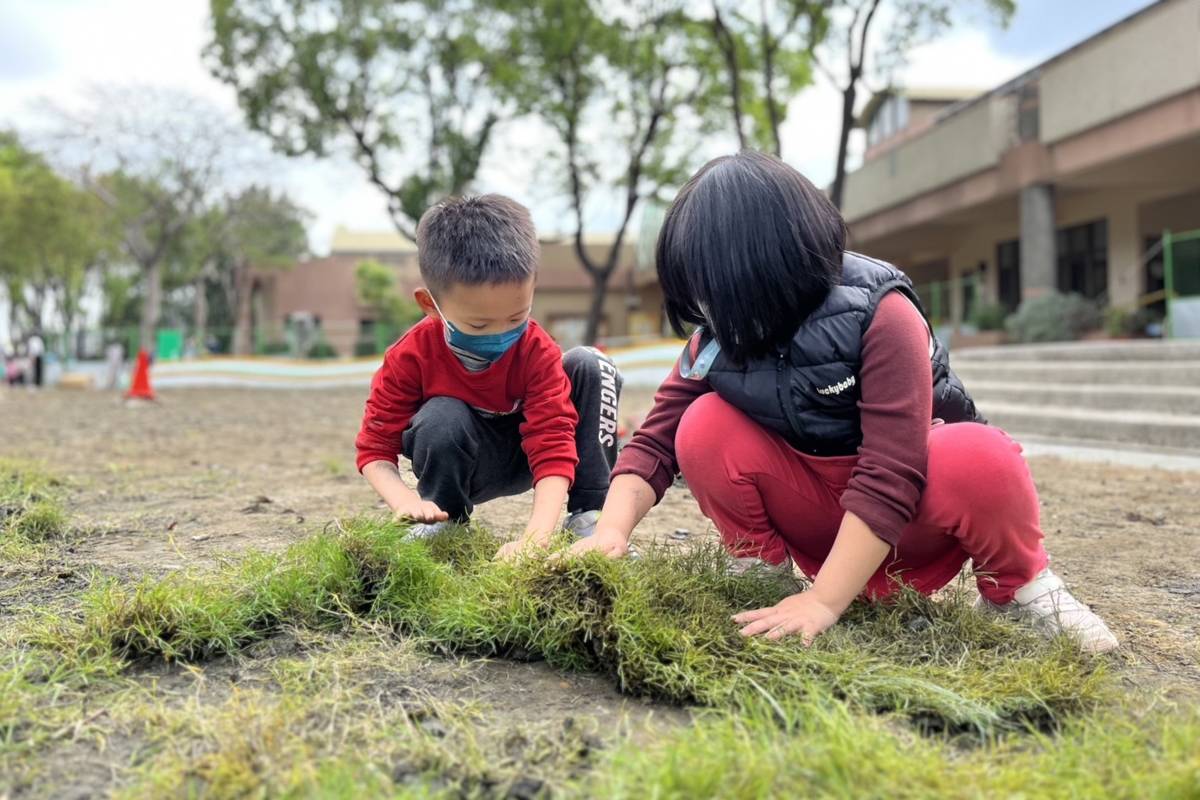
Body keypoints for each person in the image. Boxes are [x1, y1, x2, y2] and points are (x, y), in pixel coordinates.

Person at [569, 151, 1118, 654]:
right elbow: (656, 441)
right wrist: (610, 530)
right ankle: (760, 572)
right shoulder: (718, 336)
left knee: (981, 455)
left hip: (910, 518)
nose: (708, 310)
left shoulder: (881, 314)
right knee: (702, 423)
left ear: (767, 268)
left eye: (715, 291)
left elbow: (891, 471)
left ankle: (1019, 592)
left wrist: (824, 602)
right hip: (818, 513)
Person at [355, 194, 623, 559]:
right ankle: (445, 521)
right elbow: (375, 448)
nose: (500, 334)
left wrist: (536, 538)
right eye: (479, 324)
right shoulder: (410, 356)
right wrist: (405, 501)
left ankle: (590, 514)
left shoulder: (537, 350)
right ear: (430, 305)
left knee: (593, 363)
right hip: (466, 463)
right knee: (441, 415)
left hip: (527, 458)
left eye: (517, 317)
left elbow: (553, 441)